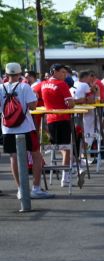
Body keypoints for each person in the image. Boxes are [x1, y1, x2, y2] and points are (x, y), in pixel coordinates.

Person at [2, 62, 53, 199]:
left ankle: (21, 189)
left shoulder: (1, 88)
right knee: (36, 155)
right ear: (19, 74)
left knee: (14, 157)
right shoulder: (25, 87)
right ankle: (36, 188)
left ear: (6, 74)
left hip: (7, 129)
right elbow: (32, 106)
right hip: (26, 127)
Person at [41, 64, 83, 188]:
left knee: (59, 147)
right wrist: (78, 101)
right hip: (63, 118)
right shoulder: (61, 84)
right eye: (63, 72)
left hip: (49, 119)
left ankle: (76, 167)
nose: (65, 75)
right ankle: (67, 178)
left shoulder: (43, 84)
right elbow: (70, 104)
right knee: (67, 148)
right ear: (55, 72)